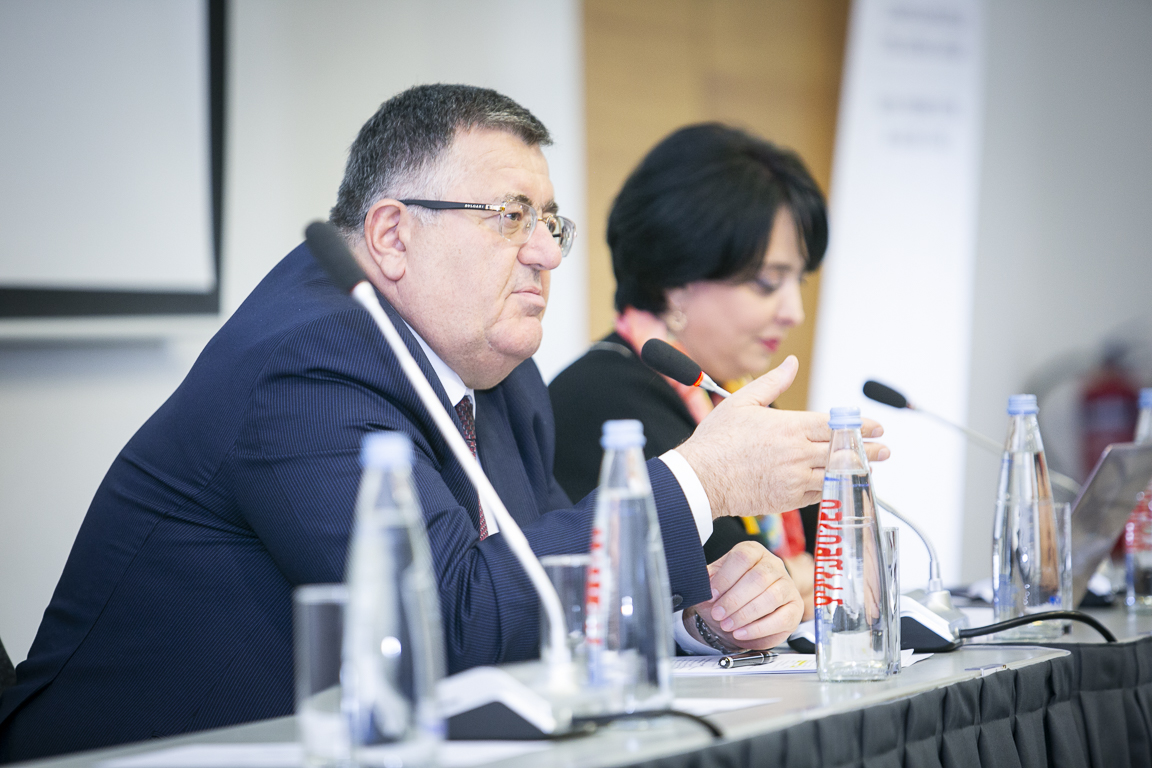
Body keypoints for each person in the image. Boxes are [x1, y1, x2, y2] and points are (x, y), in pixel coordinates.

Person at [0, 86, 887, 761]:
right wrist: (701, 482)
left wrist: (700, 619)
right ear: (392, 236)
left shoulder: (498, 372)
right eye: (510, 218)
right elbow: (447, 629)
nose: (544, 252)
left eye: (550, 223)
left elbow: (541, 593)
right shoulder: (305, 365)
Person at [549, 124, 829, 619]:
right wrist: (796, 582)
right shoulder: (598, 398)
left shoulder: (729, 391)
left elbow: (831, 558)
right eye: (768, 281)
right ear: (677, 280)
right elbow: (719, 587)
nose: (795, 312)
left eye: (799, 281)